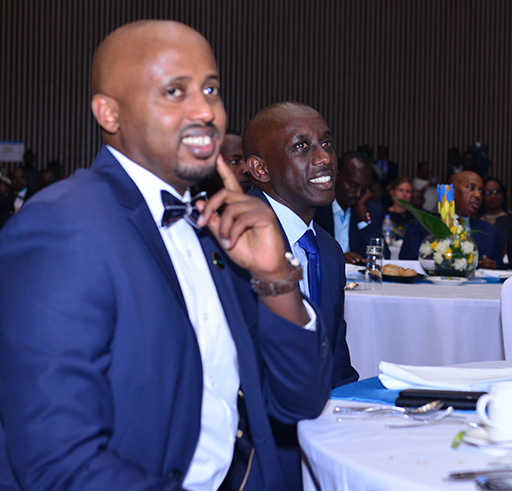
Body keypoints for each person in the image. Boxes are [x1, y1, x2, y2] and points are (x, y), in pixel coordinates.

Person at [0, 20, 331, 490]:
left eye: (211, 89)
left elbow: (299, 402)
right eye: (175, 91)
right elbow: (60, 463)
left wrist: (275, 277)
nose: (206, 111)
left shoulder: (214, 227)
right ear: (109, 113)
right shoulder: (64, 227)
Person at [243, 101, 359, 487]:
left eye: (327, 143)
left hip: (320, 440)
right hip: (254, 457)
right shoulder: (236, 241)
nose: (325, 158)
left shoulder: (327, 249)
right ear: (260, 169)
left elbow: (336, 363)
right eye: (301, 146)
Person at [399, 170, 502, 269]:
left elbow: (501, 273)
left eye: (481, 191)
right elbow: (407, 266)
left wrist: (491, 269)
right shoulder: (421, 227)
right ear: (451, 191)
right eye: (471, 188)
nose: (478, 195)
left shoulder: (491, 233)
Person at [313, 151, 385, 264]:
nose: (358, 194)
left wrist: (363, 222)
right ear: (336, 176)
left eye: (363, 188)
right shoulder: (316, 208)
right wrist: (338, 258)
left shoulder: (371, 210)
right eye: (353, 185)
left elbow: (383, 255)